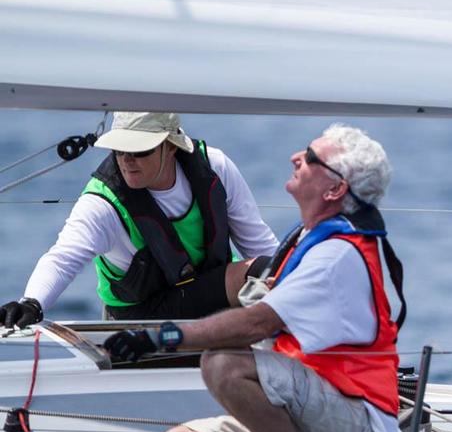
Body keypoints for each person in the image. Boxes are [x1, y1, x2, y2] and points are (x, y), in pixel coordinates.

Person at [103, 123, 405, 432]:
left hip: (353, 426)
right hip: (312, 416)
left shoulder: (336, 254)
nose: (296, 158)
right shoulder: (312, 238)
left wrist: (158, 339)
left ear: (335, 190)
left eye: (311, 158)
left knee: (224, 364)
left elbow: (255, 323)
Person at [0, 112, 279, 327]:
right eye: (120, 150)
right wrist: (31, 303)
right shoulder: (103, 202)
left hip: (207, 296)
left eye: (140, 151)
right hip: (138, 318)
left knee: (269, 269)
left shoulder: (215, 167)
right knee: (259, 271)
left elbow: (260, 243)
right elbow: (62, 259)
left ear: (171, 147)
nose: (127, 160)